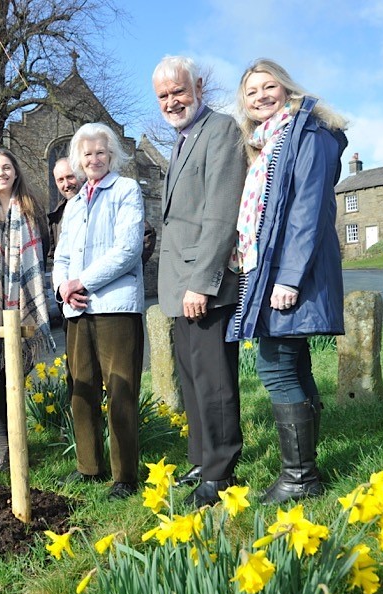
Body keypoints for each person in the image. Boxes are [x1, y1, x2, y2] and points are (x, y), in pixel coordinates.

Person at [228, 59, 347, 504]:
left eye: (268, 86)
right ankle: (305, 472)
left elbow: (308, 211)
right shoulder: (268, 141)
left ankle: (299, 478)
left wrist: (290, 278)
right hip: (273, 268)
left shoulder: (307, 134)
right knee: (292, 363)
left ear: (287, 89)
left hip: (291, 271)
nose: (260, 96)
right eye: (251, 91)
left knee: (275, 365)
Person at [153, 55, 247, 508]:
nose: (172, 102)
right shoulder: (179, 141)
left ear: (199, 87)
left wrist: (203, 282)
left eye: (179, 91)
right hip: (178, 286)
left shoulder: (222, 130)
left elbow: (220, 214)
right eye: (164, 96)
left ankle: (222, 472)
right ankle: (202, 458)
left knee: (214, 381)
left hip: (202, 285)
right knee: (191, 380)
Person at [52, 122, 145, 501]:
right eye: (87, 154)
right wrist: (62, 287)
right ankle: (88, 467)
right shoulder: (73, 204)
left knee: (120, 389)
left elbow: (127, 249)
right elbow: (61, 256)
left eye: (101, 153)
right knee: (81, 388)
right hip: (76, 310)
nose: (94, 159)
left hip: (115, 306)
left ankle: (125, 477)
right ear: (79, 160)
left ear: (112, 156)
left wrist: (82, 282)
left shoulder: (126, 189)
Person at [0, 147, 54, 472]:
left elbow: (40, 256)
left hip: (22, 309)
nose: (1, 173)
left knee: (15, 377)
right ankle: (6, 448)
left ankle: (19, 443)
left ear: (15, 172)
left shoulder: (32, 210)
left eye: (6, 167)